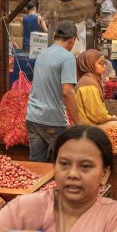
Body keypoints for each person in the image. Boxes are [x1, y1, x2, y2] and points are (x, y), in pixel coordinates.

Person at [25, 21, 80, 161]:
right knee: (65, 163)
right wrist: (78, 123)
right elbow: (67, 92)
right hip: (53, 121)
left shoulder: (42, 54)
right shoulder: (68, 57)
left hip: (32, 118)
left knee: (38, 166)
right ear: (72, 40)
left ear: (55, 37)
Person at [73, 49, 117, 129]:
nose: (104, 66)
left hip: (91, 124)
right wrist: (111, 118)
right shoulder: (88, 83)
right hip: (88, 126)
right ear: (88, 64)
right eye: (101, 63)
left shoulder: (89, 80)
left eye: (104, 63)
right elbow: (97, 115)